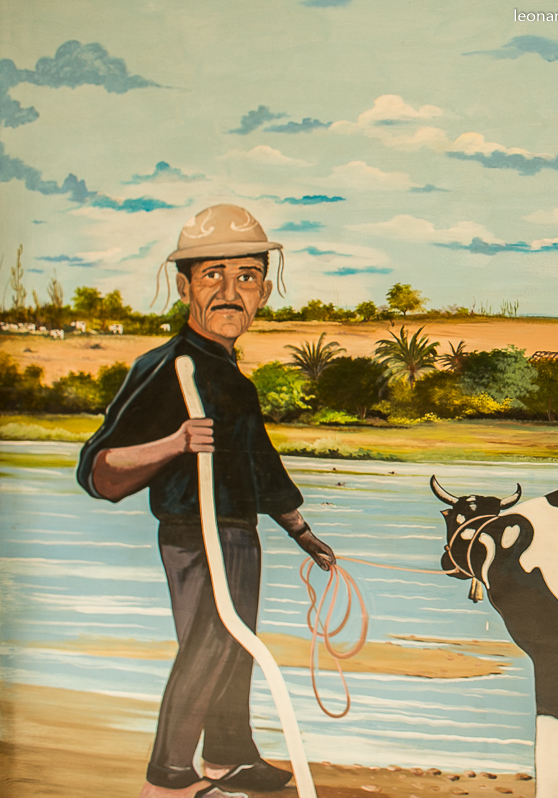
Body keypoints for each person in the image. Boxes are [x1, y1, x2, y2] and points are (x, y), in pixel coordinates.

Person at [77, 204, 336, 798]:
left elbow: (261, 464)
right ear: (184, 286)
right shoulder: (167, 368)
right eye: (213, 274)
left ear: (263, 292)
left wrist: (300, 530)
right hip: (194, 534)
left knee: (236, 643)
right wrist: (174, 443)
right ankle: (168, 778)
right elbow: (98, 470)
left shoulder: (233, 379)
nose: (229, 292)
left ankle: (227, 756)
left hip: (238, 530)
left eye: (246, 276)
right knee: (212, 643)